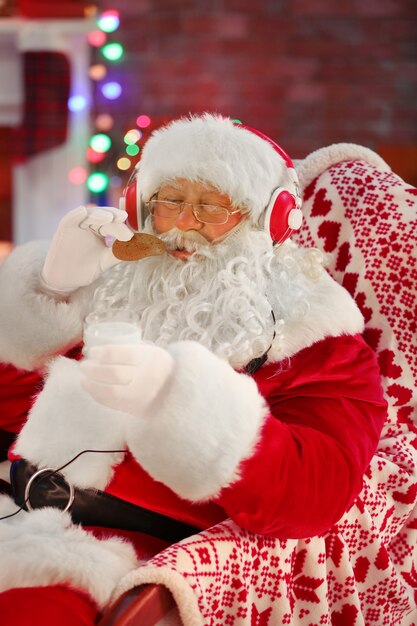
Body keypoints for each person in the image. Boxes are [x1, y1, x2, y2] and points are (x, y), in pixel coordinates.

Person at [0, 113, 391, 625]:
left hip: (113, 553)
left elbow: (318, 492)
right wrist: (50, 292)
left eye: (211, 206)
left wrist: (176, 401)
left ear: (269, 220)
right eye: (170, 202)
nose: (184, 226)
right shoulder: (115, 281)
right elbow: (11, 405)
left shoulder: (314, 337)